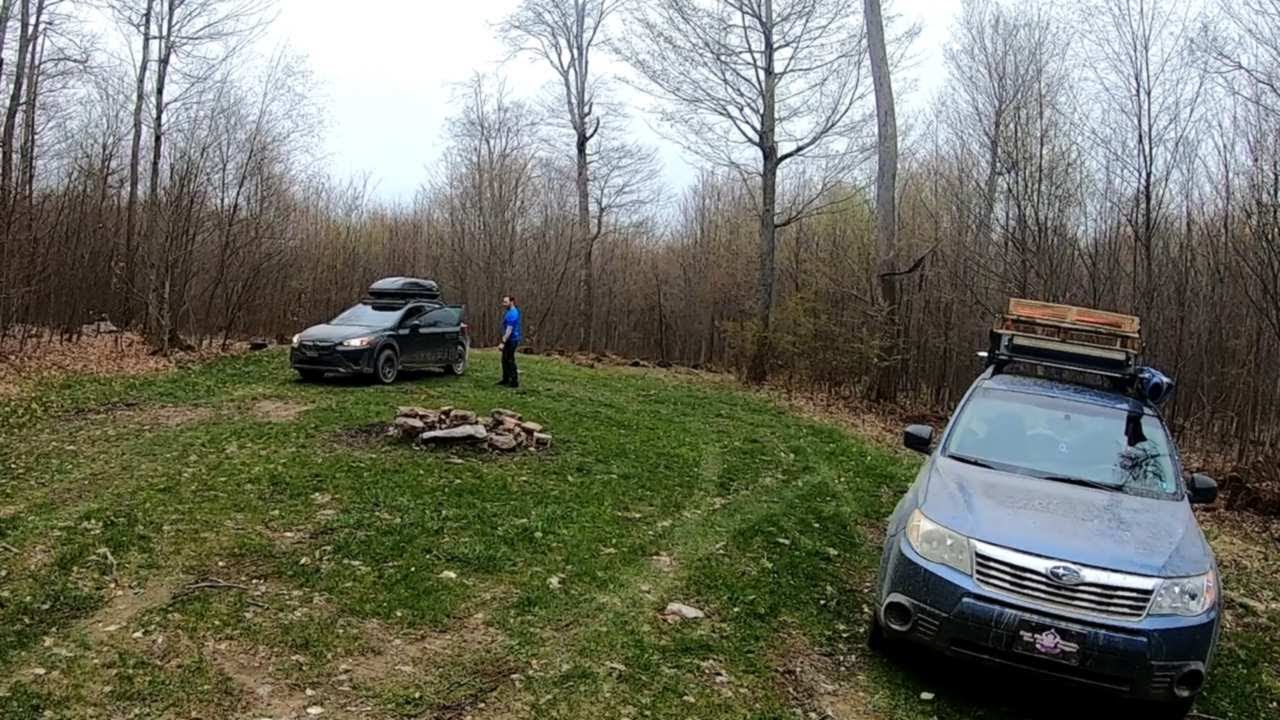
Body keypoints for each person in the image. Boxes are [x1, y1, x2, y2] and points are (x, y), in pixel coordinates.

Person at [498, 295, 522, 387]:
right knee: (504, 360)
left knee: (510, 360)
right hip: (509, 339)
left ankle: (514, 381)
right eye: (503, 302)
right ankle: (505, 379)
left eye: (505, 302)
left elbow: (509, 330)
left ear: (511, 302)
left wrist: (503, 342)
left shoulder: (513, 314)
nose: (503, 304)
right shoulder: (509, 312)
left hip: (511, 340)